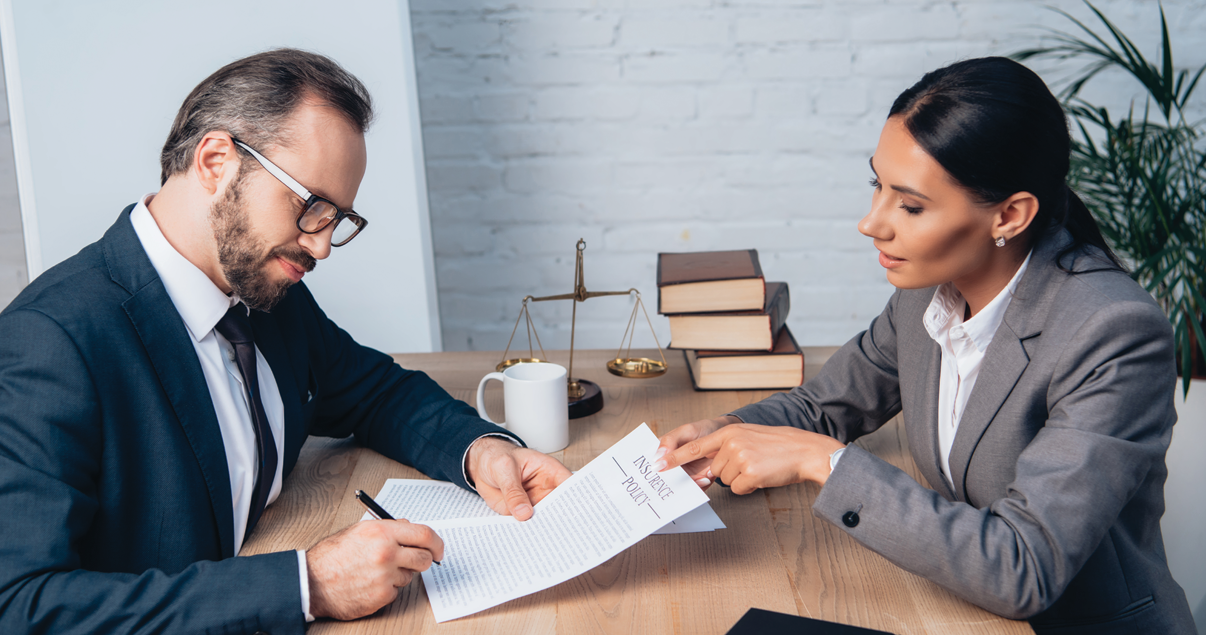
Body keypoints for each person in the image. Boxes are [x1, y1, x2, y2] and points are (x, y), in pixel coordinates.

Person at [0, 49, 571, 633]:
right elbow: (20, 606)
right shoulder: (49, 343)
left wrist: (481, 451)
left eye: (337, 219)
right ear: (217, 162)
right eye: (310, 207)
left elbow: (373, 392)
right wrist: (307, 585)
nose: (320, 246)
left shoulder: (260, 289)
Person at [655, 57, 1196, 634]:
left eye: (910, 205)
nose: (872, 223)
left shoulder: (1112, 331)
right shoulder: (927, 297)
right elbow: (823, 407)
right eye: (877, 187)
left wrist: (821, 461)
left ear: (1010, 215)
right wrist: (727, 429)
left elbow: (1024, 566)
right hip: (957, 609)